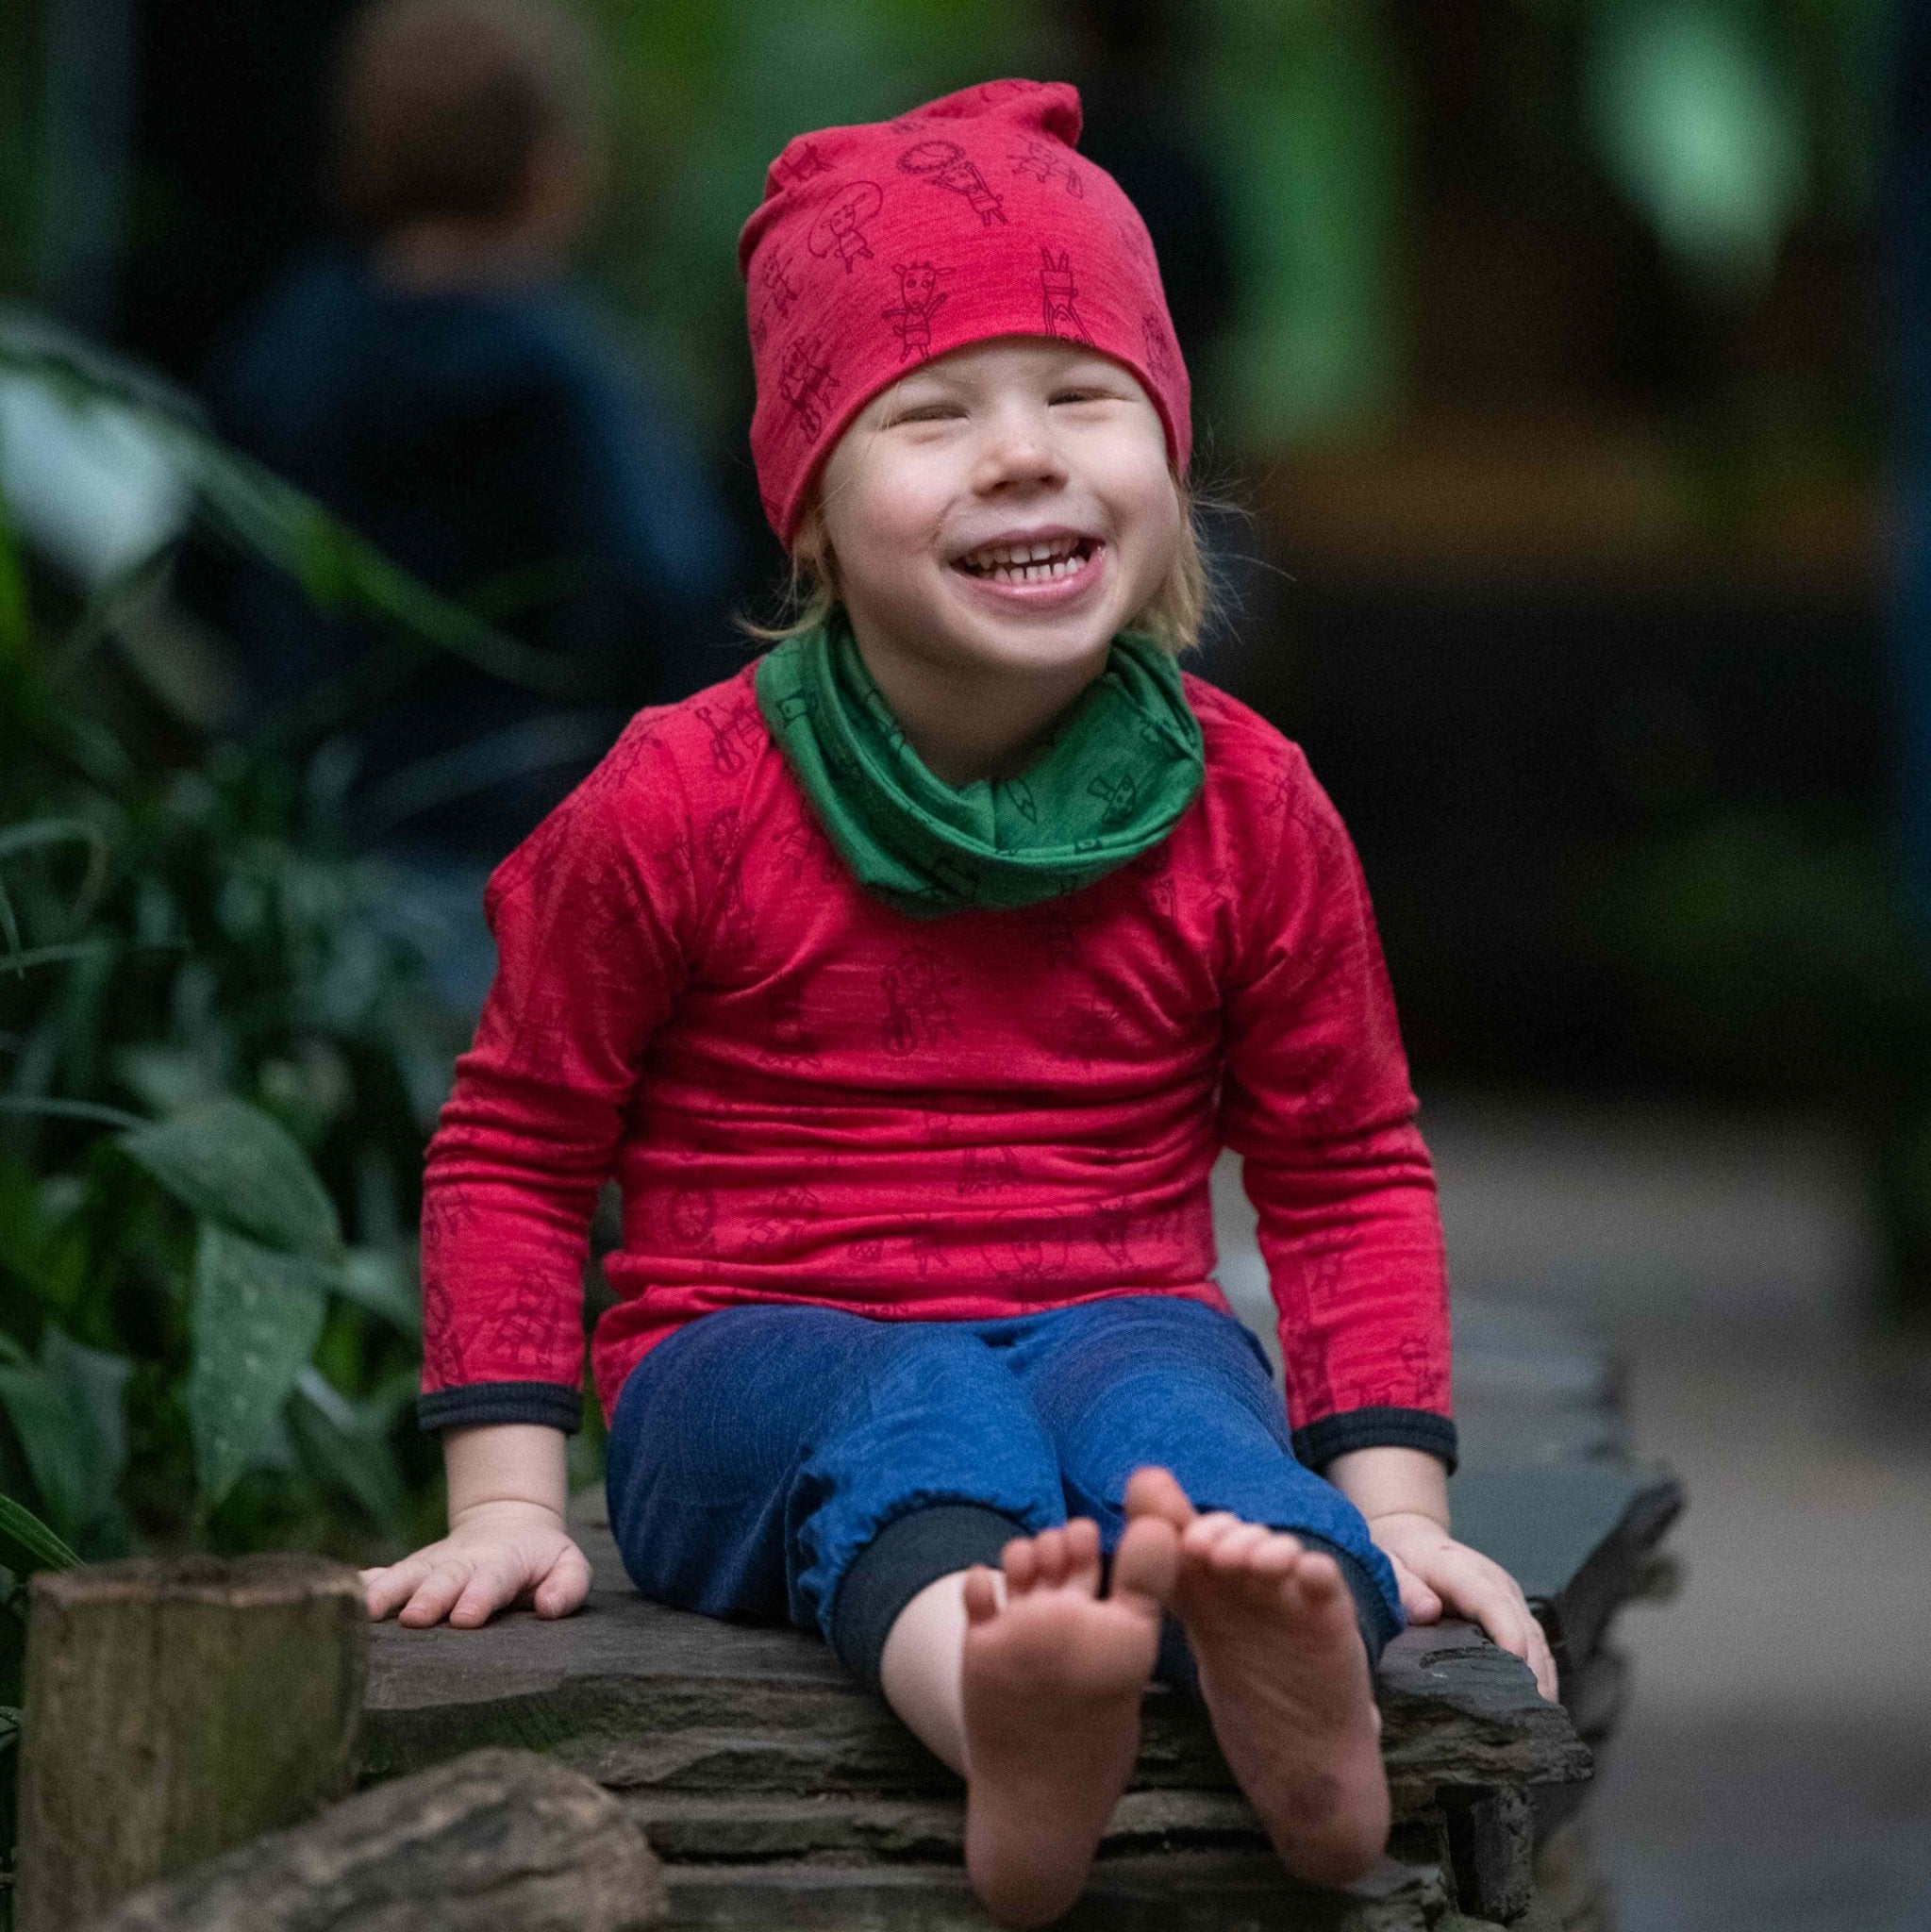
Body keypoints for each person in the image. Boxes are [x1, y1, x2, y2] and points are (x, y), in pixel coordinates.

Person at [362, 81, 1556, 1927]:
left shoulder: (1249, 805)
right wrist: (508, 1500)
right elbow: (522, 1142)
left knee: (1189, 1422)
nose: (1023, 455)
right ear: (814, 513)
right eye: (930, 416)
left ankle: (1307, 1693)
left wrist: (1397, 1507)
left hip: (1112, 1310)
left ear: (1166, 456)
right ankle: (1001, 1706)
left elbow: (1341, 1169)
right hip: (743, 1353)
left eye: (1084, 398)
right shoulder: (683, 797)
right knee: (920, 1403)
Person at [206, 0, 742, 872]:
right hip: (508, 863)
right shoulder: (565, 372)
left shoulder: (290, 337)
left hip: (288, 865)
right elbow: (676, 592)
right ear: (551, 164)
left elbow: (202, 575)